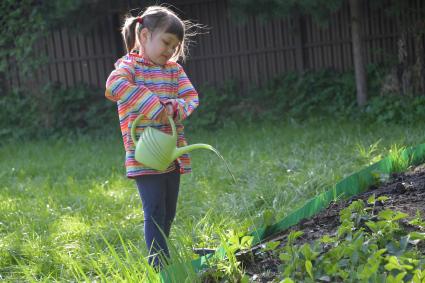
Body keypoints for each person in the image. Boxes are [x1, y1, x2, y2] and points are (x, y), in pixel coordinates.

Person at [105, 5, 199, 268]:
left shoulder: (174, 71)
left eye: (175, 46)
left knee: (168, 212)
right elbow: (114, 85)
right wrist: (149, 103)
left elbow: (191, 97)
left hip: (171, 151)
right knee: (155, 211)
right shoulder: (129, 66)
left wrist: (173, 108)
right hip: (143, 154)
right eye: (166, 42)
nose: (170, 50)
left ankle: (162, 257)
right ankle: (159, 265)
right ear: (144, 36)